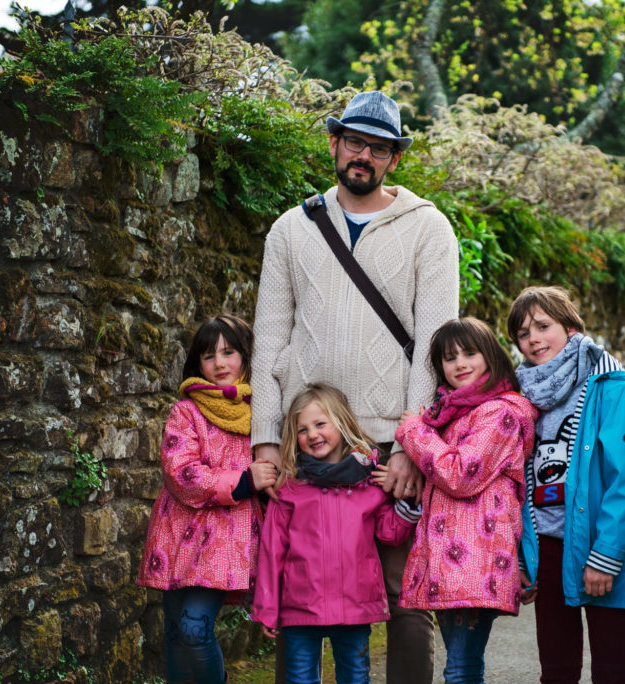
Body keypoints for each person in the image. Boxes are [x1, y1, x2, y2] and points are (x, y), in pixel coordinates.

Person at [251, 90, 459, 683]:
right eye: (353, 142)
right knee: (303, 584)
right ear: (336, 143)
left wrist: (413, 447)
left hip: (387, 447)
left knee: (402, 593)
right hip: (305, 443)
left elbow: (436, 346)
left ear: (394, 157)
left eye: (377, 147)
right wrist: (267, 439)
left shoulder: (429, 230)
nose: (362, 155)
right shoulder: (292, 228)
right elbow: (269, 337)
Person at [506, 286, 625, 684]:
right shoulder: (523, 398)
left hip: (600, 545)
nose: (534, 338)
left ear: (571, 328)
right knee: (556, 668)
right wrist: (524, 556)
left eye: (543, 325)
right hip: (549, 550)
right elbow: (519, 480)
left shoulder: (610, 387)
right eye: (523, 333)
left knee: (611, 667)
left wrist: (605, 555)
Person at [395, 317, 537, 683]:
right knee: (464, 666)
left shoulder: (502, 412)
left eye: (470, 353)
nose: (459, 363)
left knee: (461, 668)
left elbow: (460, 474)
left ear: (490, 355)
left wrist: (413, 432)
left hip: (478, 559)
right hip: (451, 562)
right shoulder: (454, 412)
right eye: (449, 357)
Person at [137, 314, 278, 684]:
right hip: (177, 535)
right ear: (197, 363)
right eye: (209, 355)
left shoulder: (264, 415)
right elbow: (180, 472)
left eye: (229, 352)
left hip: (225, 543)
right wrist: (243, 481)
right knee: (174, 634)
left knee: (194, 629)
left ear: (247, 358)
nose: (219, 364)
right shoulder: (186, 411)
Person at [252, 383, 421, 684]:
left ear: (341, 424)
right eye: (302, 430)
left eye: (320, 424)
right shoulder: (289, 490)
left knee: (355, 677)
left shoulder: (369, 485)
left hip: (354, 606)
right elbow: (271, 551)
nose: (312, 434)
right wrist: (267, 608)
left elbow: (389, 534)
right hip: (300, 608)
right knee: (300, 679)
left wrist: (407, 503)